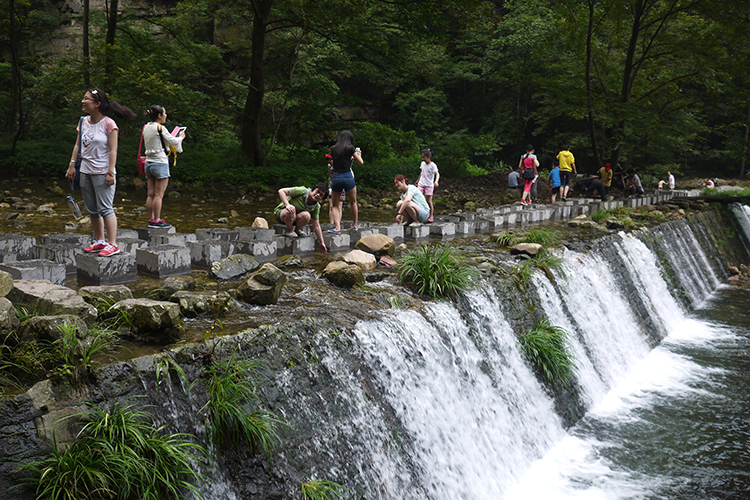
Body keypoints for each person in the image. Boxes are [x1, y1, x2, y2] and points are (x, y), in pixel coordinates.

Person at [65, 88, 135, 257]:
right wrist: (72, 165)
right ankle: (100, 241)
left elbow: (113, 150)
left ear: (97, 104)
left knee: (106, 208)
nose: (83, 101)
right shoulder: (82, 122)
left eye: (86, 99)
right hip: (85, 170)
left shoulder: (109, 124)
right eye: (83, 98)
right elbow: (77, 145)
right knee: (92, 210)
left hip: (102, 171)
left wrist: (110, 172)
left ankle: (113, 244)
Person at [142, 105, 185, 228]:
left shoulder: (146, 127)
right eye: (164, 113)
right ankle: (157, 219)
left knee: (150, 194)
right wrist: (181, 137)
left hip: (148, 163)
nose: (166, 116)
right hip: (160, 162)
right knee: (158, 195)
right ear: (159, 115)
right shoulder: (160, 128)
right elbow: (173, 141)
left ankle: (151, 219)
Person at [274, 183, 328, 253]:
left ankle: (297, 230)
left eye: (321, 195)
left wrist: (322, 242)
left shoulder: (316, 207)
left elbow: (316, 225)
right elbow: (281, 191)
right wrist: (287, 205)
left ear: (322, 199)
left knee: (307, 215)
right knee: (292, 210)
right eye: (317, 192)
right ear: (313, 190)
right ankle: (289, 230)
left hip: (295, 218)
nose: (318, 195)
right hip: (283, 214)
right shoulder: (302, 191)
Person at [329, 130, 364, 233]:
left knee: (335, 205)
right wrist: (359, 154)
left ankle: (337, 227)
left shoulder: (334, 148)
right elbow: (361, 162)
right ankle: (355, 225)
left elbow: (339, 160)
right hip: (348, 177)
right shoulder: (350, 148)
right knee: (353, 202)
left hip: (336, 178)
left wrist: (351, 157)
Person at [416, 148, 440, 223]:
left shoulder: (433, 165)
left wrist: (436, 181)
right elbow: (422, 172)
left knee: (429, 201)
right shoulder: (422, 163)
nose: (423, 159)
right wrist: (417, 180)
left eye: (424, 157)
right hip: (421, 184)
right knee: (418, 199)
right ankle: (419, 215)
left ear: (429, 156)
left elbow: (437, 174)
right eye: (422, 157)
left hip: (429, 185)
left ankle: (431, 215)